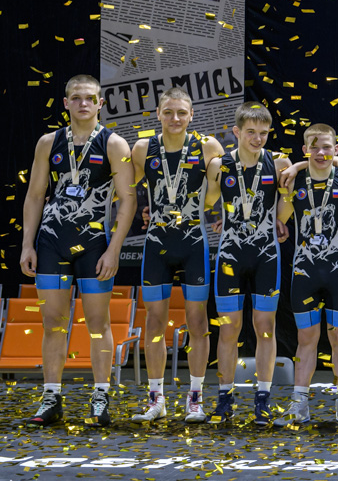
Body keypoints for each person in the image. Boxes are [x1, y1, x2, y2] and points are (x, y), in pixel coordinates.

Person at [20, 74, 136, 426]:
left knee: (98, 322)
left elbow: (128, 200)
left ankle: (100, 397)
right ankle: (51, 397)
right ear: (66, 102)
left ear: (100, 103)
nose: (83, 103)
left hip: (94, 245)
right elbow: (35, 195)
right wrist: (27, 244)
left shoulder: (114, 144)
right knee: (53, 322)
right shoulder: (48, 142)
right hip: (51, 243)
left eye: (89, 98)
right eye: (76, 98)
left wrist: (114, 250)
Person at [129, 88, 224, 423]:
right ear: (158, 114)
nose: (175, 118)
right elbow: (125, 188)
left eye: (182, 112)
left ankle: (195, 399)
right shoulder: (143, 148)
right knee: (154, 321)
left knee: (198, 322)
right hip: (157, 244)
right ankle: (156, 400)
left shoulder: (208, 146)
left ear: (191, 115)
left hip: (193, 243)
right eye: (168, 112)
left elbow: (220, 190)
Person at [205, 102, 290, 425]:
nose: (257, 139)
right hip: (230, 254)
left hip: (266, 254)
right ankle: (224, 399)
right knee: (228, 329)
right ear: (237, 132)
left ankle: (263, 399)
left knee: (265, 329)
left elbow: (286, 207)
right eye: (251, 132)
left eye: (263, 133)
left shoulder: (279, 162)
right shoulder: (220, 165)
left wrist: (282, 214)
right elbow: (207, 201)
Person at [274, 124, 338, 427]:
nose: (320, 152)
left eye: (326, 147)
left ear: (336, 149)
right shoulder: (294, 181)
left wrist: (311, 162)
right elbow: (280, 220)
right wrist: (298, 168)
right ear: (304, 149)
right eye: (313, 147)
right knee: (306, 339)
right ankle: (299, 404)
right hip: (305, 271)